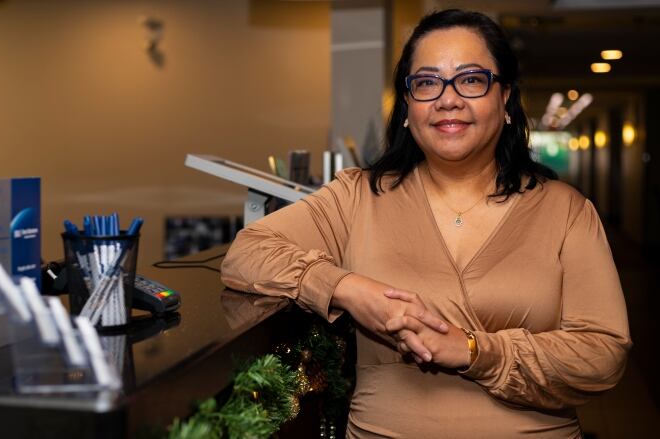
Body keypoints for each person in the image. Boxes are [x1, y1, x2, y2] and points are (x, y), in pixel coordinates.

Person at [220, 9, 631, 438]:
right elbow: (248, 252)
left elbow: (603, 355)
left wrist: (474, 350)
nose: (447, 99)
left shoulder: (565, 210)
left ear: (505, 97)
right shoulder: (358, 197)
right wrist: (349, 289)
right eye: (427, 82)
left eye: (471, 79)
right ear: (406, 106)